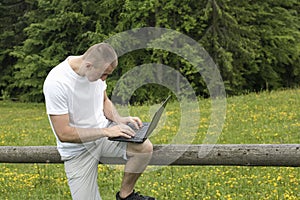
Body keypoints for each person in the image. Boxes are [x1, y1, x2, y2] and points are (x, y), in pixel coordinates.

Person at [43, 43, 155, 200]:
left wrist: (119, 119)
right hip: (78, 151)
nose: (104, 79)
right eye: (104, 75)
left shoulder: (96, 72)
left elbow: (104, 100)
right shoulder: (57, 82)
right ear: (88, 65)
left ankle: (126, 196)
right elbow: (64, 133)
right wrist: (106, 131)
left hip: (105, 138)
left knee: (144, 148)